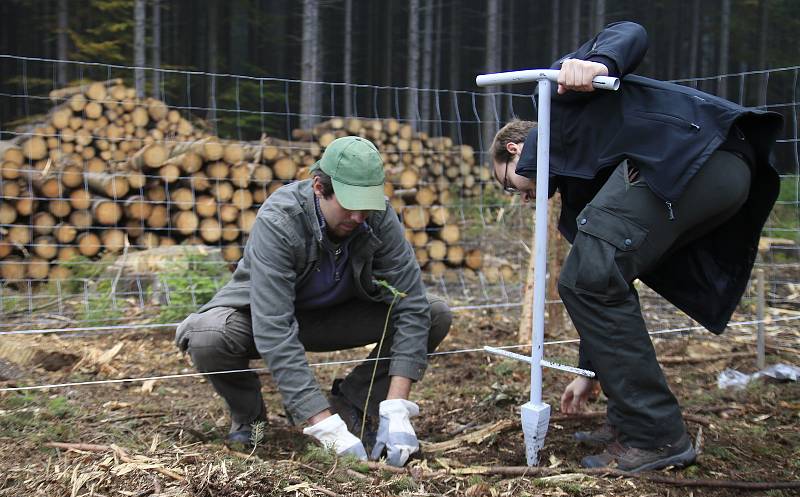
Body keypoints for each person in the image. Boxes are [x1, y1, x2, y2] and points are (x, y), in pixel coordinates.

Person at [490, 21, 782, 472]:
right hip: (715, 170)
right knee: (593, 276)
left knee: (590, 275)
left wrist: (594, 65)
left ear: (514, 151)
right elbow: (602, 288)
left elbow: (630, 31)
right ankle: (630, 423)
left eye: (512, 186)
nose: (525, 198)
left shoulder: (555, 103)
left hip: (694, 157)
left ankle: (656, 436)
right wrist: (589, 376)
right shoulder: (584, 192)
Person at [176, 136, 452, 466]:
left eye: (367, 207)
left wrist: (397, 407)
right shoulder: (280, 220)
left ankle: (354, 404)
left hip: (339, 318)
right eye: (350, 206)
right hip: (266, 318)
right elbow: (274, 327)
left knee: (433, 313)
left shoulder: (377, 217)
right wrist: (323, 425)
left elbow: (410, 303)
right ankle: (250, 420)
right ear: (319, 187)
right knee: (208, 335)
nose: (360, 217)